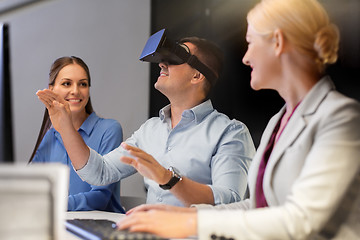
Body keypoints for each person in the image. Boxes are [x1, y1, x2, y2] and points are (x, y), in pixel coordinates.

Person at [117, 0, 360, 239]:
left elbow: (301, 219)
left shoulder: (341, 117)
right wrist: (180, 215)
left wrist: (193, 222)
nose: (246, 57)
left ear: (277, 42)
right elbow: (256, 207)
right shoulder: (278, 122)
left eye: (251, 43)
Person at [36, 37, 256, 208]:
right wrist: (65, 126)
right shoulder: (150, 130)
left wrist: (168, 179)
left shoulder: (230, 133)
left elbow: (230, 202)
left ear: (197, 76)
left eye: (174, 58)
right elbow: (100, 173)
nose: (162, 63)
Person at [30, 56, 125, 213]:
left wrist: (54, 205)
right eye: (67, 83)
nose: (75, 91)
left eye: (83, 84)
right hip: (62, 224)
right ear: (51, 89)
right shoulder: (50, 136)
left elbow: (100, 197)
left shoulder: (109, 130)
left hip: (100, 228)